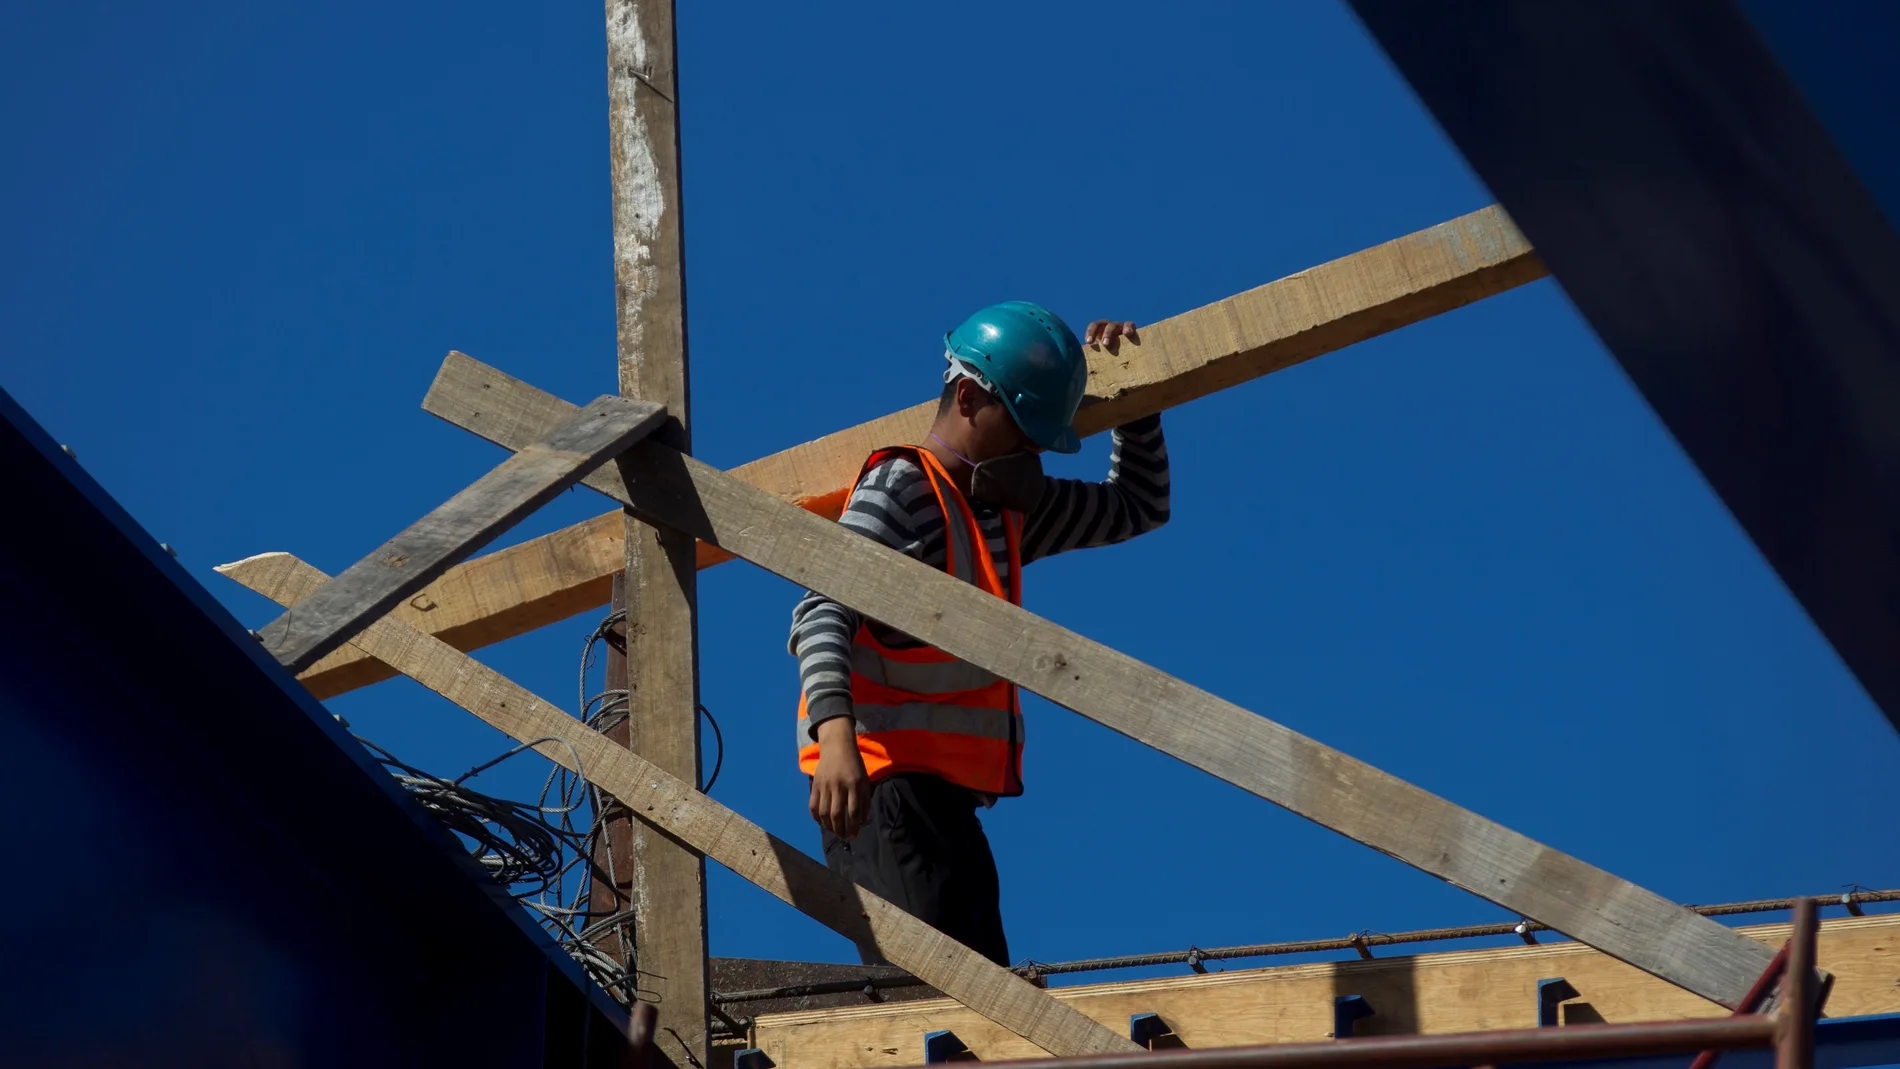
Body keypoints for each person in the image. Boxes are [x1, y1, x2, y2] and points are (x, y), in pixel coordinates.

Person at [788, 300, 1171, 966]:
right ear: (968, 397)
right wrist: (836, 736)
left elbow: (1138, 507)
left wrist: (1132, 398)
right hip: (881, 790)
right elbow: (824, 603)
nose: (1031, 454)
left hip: (945, 805)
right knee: (931, 1000)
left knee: (985, 996)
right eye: (1022, 431)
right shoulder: (904, 485)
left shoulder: (1004, 507)